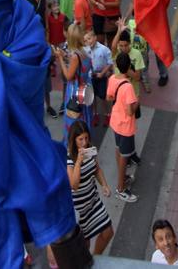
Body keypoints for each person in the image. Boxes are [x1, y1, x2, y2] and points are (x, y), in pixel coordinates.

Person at [65, 120, 112, 254]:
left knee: (108, 232)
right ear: (73, 140)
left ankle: (96, 257)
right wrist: (78, 162)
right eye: (80, 139)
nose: (84, 142)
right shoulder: (69, 158)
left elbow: (97, 169)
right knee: (85, 242)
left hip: (93, 200)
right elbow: (74, 185)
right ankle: (87, 261)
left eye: (86, 138)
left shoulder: (90, 149)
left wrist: (104, 185)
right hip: (79, 208)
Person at [107, 53, 141, 203]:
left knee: (118, 150)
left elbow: (109, 97)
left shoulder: (112, 79)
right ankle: (120, 189)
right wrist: (137, 103)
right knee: (124, 155)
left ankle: (123, 177)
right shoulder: (128, 87)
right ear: (128, 67)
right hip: (125, 126)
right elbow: (130, 111)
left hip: (115, 121)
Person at [56, 23, 92, 134]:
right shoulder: (84, 51)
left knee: (74, 119)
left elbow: (68, 76)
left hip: (74, 90)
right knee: (84, 116)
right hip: (84, 87)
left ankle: (74, 145)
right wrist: (66, 56)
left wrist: (60, 58)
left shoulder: (75, 56)